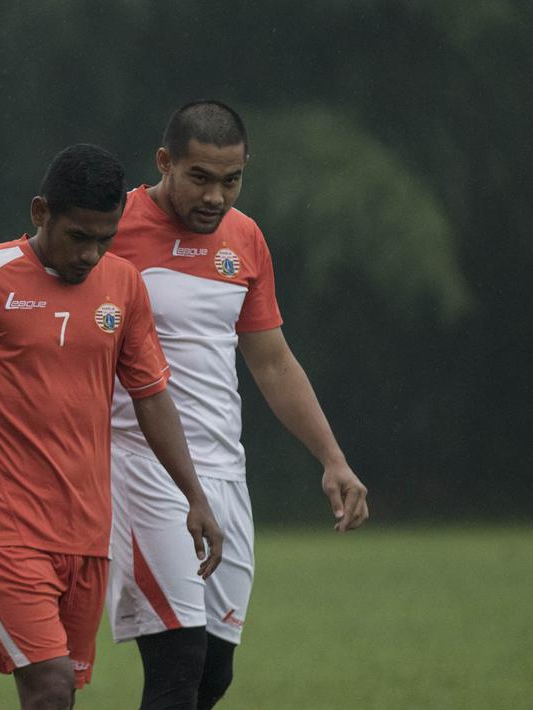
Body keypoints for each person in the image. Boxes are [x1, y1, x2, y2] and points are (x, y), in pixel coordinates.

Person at [0, 144, 224, 710]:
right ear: (41, 212)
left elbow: (152, 398)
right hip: (6, 528)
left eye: (105, 239)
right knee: (49, 684)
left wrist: (196, 496)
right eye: (78, 236)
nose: (91, 254)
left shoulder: (124, 286)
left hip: (88, 530)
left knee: (59, 693)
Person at [105, 101, 370, 709]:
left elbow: (272, 361)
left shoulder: (245, 238)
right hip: (141, 467)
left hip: (225, 472)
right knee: (178, 662)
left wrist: (332, 458)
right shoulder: (111, 229)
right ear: (164, 162)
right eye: (200, 178)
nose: (216, 197)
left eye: (232, 180)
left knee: (213, 673)